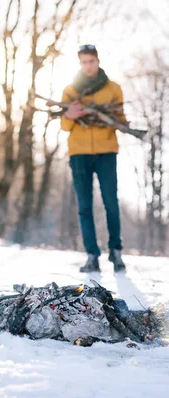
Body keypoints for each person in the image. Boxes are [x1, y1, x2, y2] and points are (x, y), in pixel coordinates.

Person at [61, 44, 126, 273]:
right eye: (84, 62)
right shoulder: (70, 90)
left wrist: (120, 122)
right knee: (84, 206)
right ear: (80, 63)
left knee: (111, 202)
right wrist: (70, 115)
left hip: (107, 151)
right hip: (79, 154)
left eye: (91, 61)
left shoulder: (113, 89)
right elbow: (65, 125)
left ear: (98, 60)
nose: (88, 66)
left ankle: (116, 252)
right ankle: (92, 256)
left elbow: (120, 119)